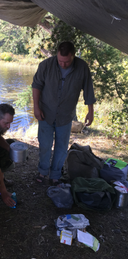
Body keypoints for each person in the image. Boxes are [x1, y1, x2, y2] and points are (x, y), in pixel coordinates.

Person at [32, 41, 96, 186]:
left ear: (73, 56)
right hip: (45, 112)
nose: (63, 64)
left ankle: (55, 175)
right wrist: (36, 107)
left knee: (61, 146)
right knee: (45, 144)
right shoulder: (46, 65)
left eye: (67, 61)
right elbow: (36, 86)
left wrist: (90, 112)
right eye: (60, 60)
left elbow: (88, 91)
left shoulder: (82, 67)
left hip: (66, 115)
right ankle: (42, 172)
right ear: (57, 55)